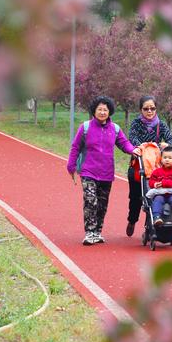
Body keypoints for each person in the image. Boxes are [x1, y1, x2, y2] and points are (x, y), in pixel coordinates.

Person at [67, 96, 141, 245]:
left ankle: (97, 232)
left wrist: (134, 150)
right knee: (90, 201)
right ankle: (89, 233)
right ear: (94, 111)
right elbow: (75, 147)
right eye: (99, 109)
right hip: (88, 171)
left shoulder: (115, 129)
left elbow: (124, 143)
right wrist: (71, 166)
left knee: (102, 204)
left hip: (106, 173)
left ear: (109, 112)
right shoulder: (85, 127)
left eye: (105, 110)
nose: (102, 112)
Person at [126, 95, 172, 236]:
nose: (149, 111)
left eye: (152, 108)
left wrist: (167, 144)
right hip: (138, 166)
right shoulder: (136, 123)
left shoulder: (161, 124)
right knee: (135, 197)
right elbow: (133, 138)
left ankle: (150, 227)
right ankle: (132, 220)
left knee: (154, 196)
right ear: (141, 110)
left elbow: (171, 139)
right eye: (146, 109)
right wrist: (140, 146)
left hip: (156, 168)